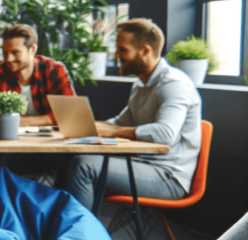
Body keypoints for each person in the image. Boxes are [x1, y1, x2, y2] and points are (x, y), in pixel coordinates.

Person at [66, 19, 201, 210]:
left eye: (122, 50)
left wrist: (112, 132)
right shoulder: (140, 84)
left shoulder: (173, 84)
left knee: (85, 166)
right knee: (70, 156)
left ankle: (81, 238)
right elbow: (120, 122)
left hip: (168, 176)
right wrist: (90, 127)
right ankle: (54, 230)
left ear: (145, 50)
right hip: (141, 164)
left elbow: (165, 134)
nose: (116, 55)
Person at [0, 24, 75, 128]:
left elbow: (70, 113)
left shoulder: (54, 70)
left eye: (15, 53)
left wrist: (12, 121)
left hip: (49, 140)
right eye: (5, 53)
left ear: (32, 49)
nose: (8, 59)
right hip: (6, 140)